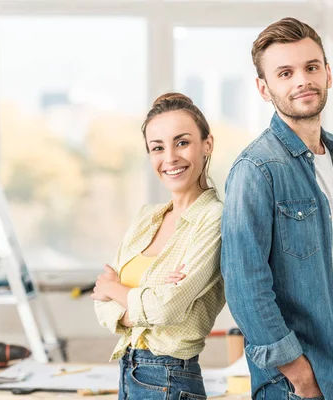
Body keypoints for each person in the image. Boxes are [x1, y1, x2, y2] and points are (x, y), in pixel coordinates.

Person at [220, 17, 333, 400]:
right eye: (285, 73)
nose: (302, 80)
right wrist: (299, 373)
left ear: (328, 74)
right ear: (263, 88)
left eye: (311, 67)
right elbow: (244, 285)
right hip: (303, 387)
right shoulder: (255, 171)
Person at [93, 92, 225, 400]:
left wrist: (115, 290)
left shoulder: (215, 218)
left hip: (172, 378)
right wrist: (142, 299)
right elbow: (101, 307)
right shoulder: (146, 218)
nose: (170, 158)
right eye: (157, 148)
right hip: (129, 371)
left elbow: (165, 308)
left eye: (182, 142)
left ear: (207, 145)